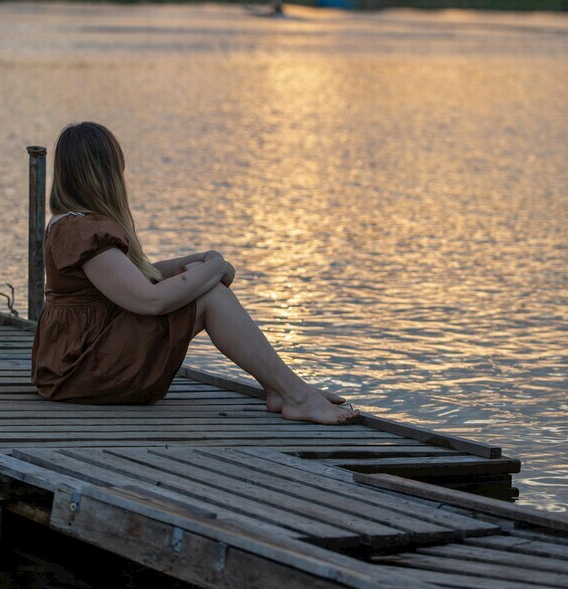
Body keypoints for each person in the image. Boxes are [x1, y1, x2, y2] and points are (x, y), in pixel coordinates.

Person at [31, 122, 360, 424]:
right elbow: (149, 300)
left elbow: (133, 277)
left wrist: (198, 261)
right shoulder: (83, 231)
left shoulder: (72, 223)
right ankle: (295, 396)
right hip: (81, 369)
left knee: (200, 283)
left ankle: (282, 388)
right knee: (210, 297)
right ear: (106, 172)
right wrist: (215, 269)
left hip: (78, 359)